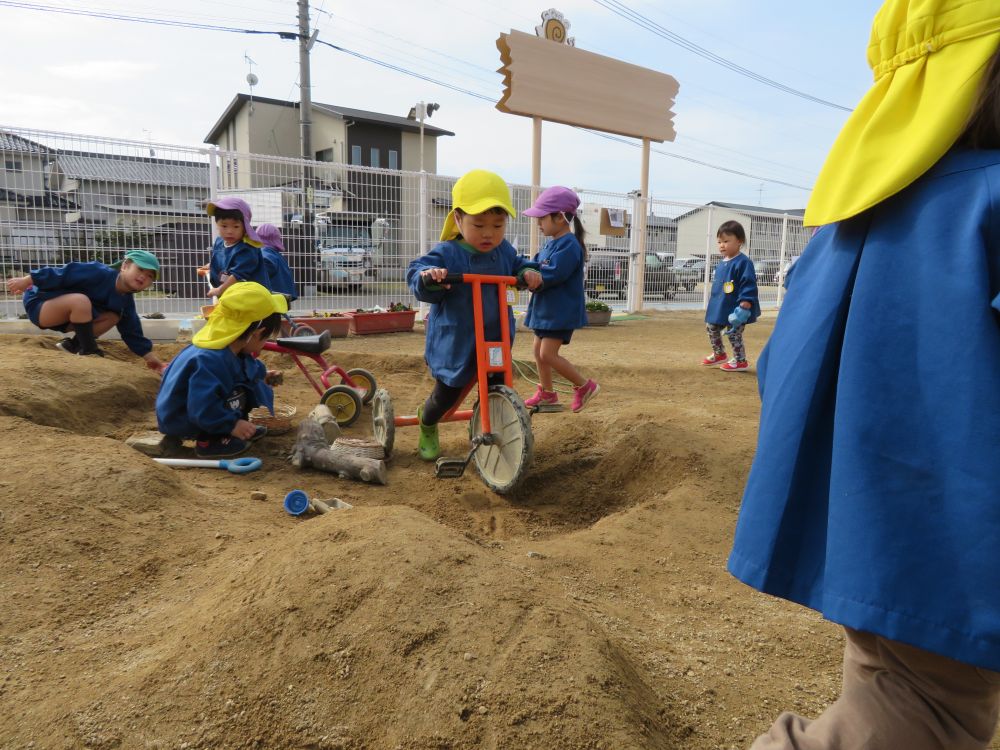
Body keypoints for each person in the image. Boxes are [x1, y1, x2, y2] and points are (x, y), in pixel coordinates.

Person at [729, 1, 1000, 748]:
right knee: (924, 719)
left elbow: (781, 365)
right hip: (956, 536)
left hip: (874, 530)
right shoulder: (989, 202)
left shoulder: (851, 220)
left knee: (887, 681)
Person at [406, 169, 538, 461]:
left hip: (494, 337)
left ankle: (489, 432)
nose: (489, 233)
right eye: (478, 224)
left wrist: (527, 272)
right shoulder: (448, 252)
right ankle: (427, 422)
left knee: (495, 388)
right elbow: (416, 272)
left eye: (498, 224)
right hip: (457, 341)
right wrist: (429, 276)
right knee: (446, 396)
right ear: (458, 220)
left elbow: (519, 263)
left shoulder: (503, 251)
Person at [156, 282, 286, 458]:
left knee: (246, 383)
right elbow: (202, 405)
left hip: (197, 410)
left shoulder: (230, 346)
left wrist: (263, 375)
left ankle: (229, 427)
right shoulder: (209, 360)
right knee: (235, 391)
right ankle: (210, 440)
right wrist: (232, 424)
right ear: (257, 333)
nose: (265, 344)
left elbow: (246, 366)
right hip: (183, 418)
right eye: (267, 337)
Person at [5, 249, 166, 371]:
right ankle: (89, 349)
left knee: (114, 316)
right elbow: (62, 273)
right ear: (125, 266)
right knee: (80, 301)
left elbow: (132, 332)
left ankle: (72, 346)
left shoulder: (125, 301)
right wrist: (27, 280)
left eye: (150, 276)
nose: (144, 277)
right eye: (140, 270)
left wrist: (152, 359)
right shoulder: (99, 272)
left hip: (70, 316)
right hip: (42, 304)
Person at [519, 185, 599, 412]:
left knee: (547, 353)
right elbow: (535, 264)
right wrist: (521, 271)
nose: (538, 222)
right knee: (537, 351)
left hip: (559, 311)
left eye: (542, 217)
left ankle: (585, 386)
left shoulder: (570, 245)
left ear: (561, 217)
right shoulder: (551, 243)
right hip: (547, 310)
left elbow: (553, 273)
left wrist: (534, 279)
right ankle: (547, 394)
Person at [701, 220, 760, 372]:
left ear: (739, 241)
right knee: (711, 327)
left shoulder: (743, 262)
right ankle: (719, 353)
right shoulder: (721, 263)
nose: (722, 245)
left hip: (737, 307)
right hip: (720, 305)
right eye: (719, 242)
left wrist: (746, 302)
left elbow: (748, 283)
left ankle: (740, 360)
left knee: (734, 332)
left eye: (726, 241)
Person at [203, 197, 270, 299]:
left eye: (236, 227)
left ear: (245, 227)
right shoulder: (219, 242)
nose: (229, 231)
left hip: (251, 298)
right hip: (231, 295)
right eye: (224, 226)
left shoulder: (247, 248)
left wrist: (220, 290)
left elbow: (238, 275)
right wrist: (212, 265)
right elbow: (221, 258)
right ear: (217, 224)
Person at [256, 223, 298, 303]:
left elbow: (265, 267)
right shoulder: (275, 254)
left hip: (273, 298)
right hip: (282, 296)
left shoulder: (265, 253)